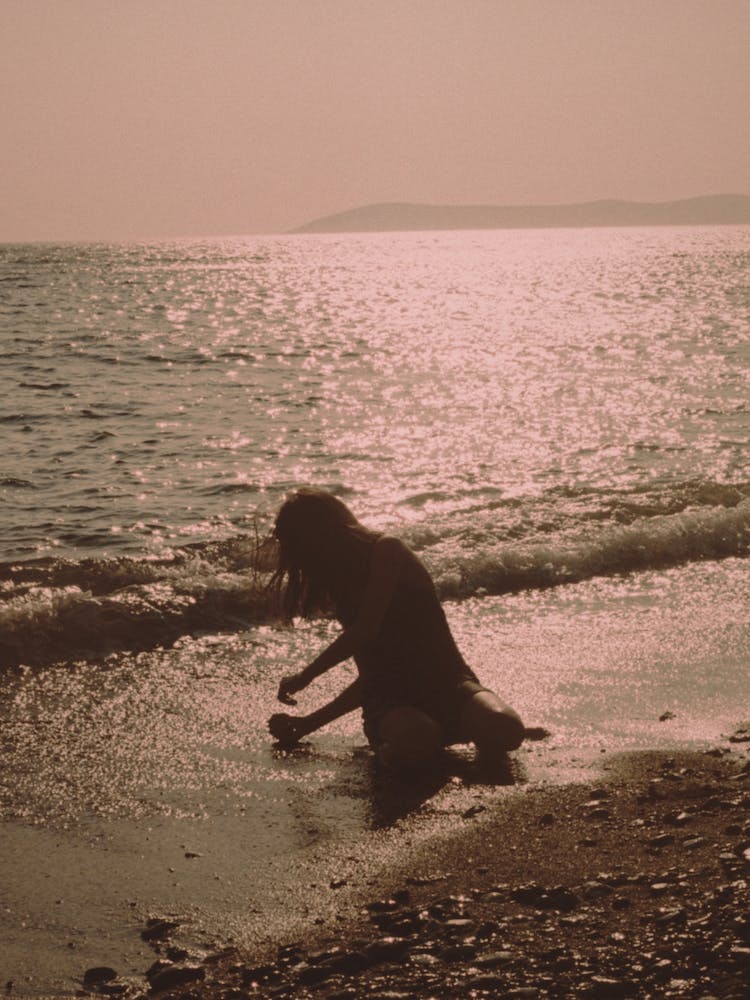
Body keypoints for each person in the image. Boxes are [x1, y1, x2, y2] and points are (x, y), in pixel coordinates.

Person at [267, 488, 525, 771]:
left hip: (449, 683)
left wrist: (307, 675)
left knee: (506, 730)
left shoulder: (387, 551)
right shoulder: (343, 590)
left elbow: (366, 629)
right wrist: (307, 724)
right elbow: (373, 676)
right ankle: (403, 744)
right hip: (391, 701)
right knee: (419, 738)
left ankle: (443, 734)